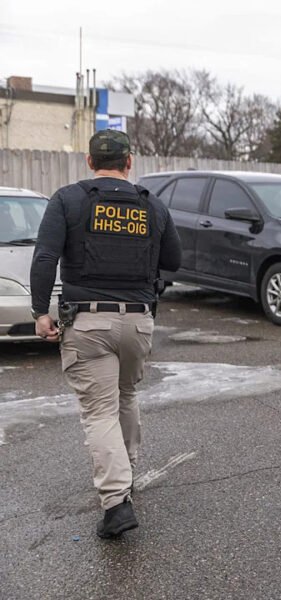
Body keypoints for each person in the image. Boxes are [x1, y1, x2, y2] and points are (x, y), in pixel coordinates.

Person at [30, 130, 181, 539]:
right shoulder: (152, 205)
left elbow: (45, 256)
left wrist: (40, 312)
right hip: (138, 321)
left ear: (89, 161)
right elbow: (174, 260)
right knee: (126, 395)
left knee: (99, 411)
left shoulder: (68, 199)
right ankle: (126, 474)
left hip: (88, 323)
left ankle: (116, 504)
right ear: (129, 162)